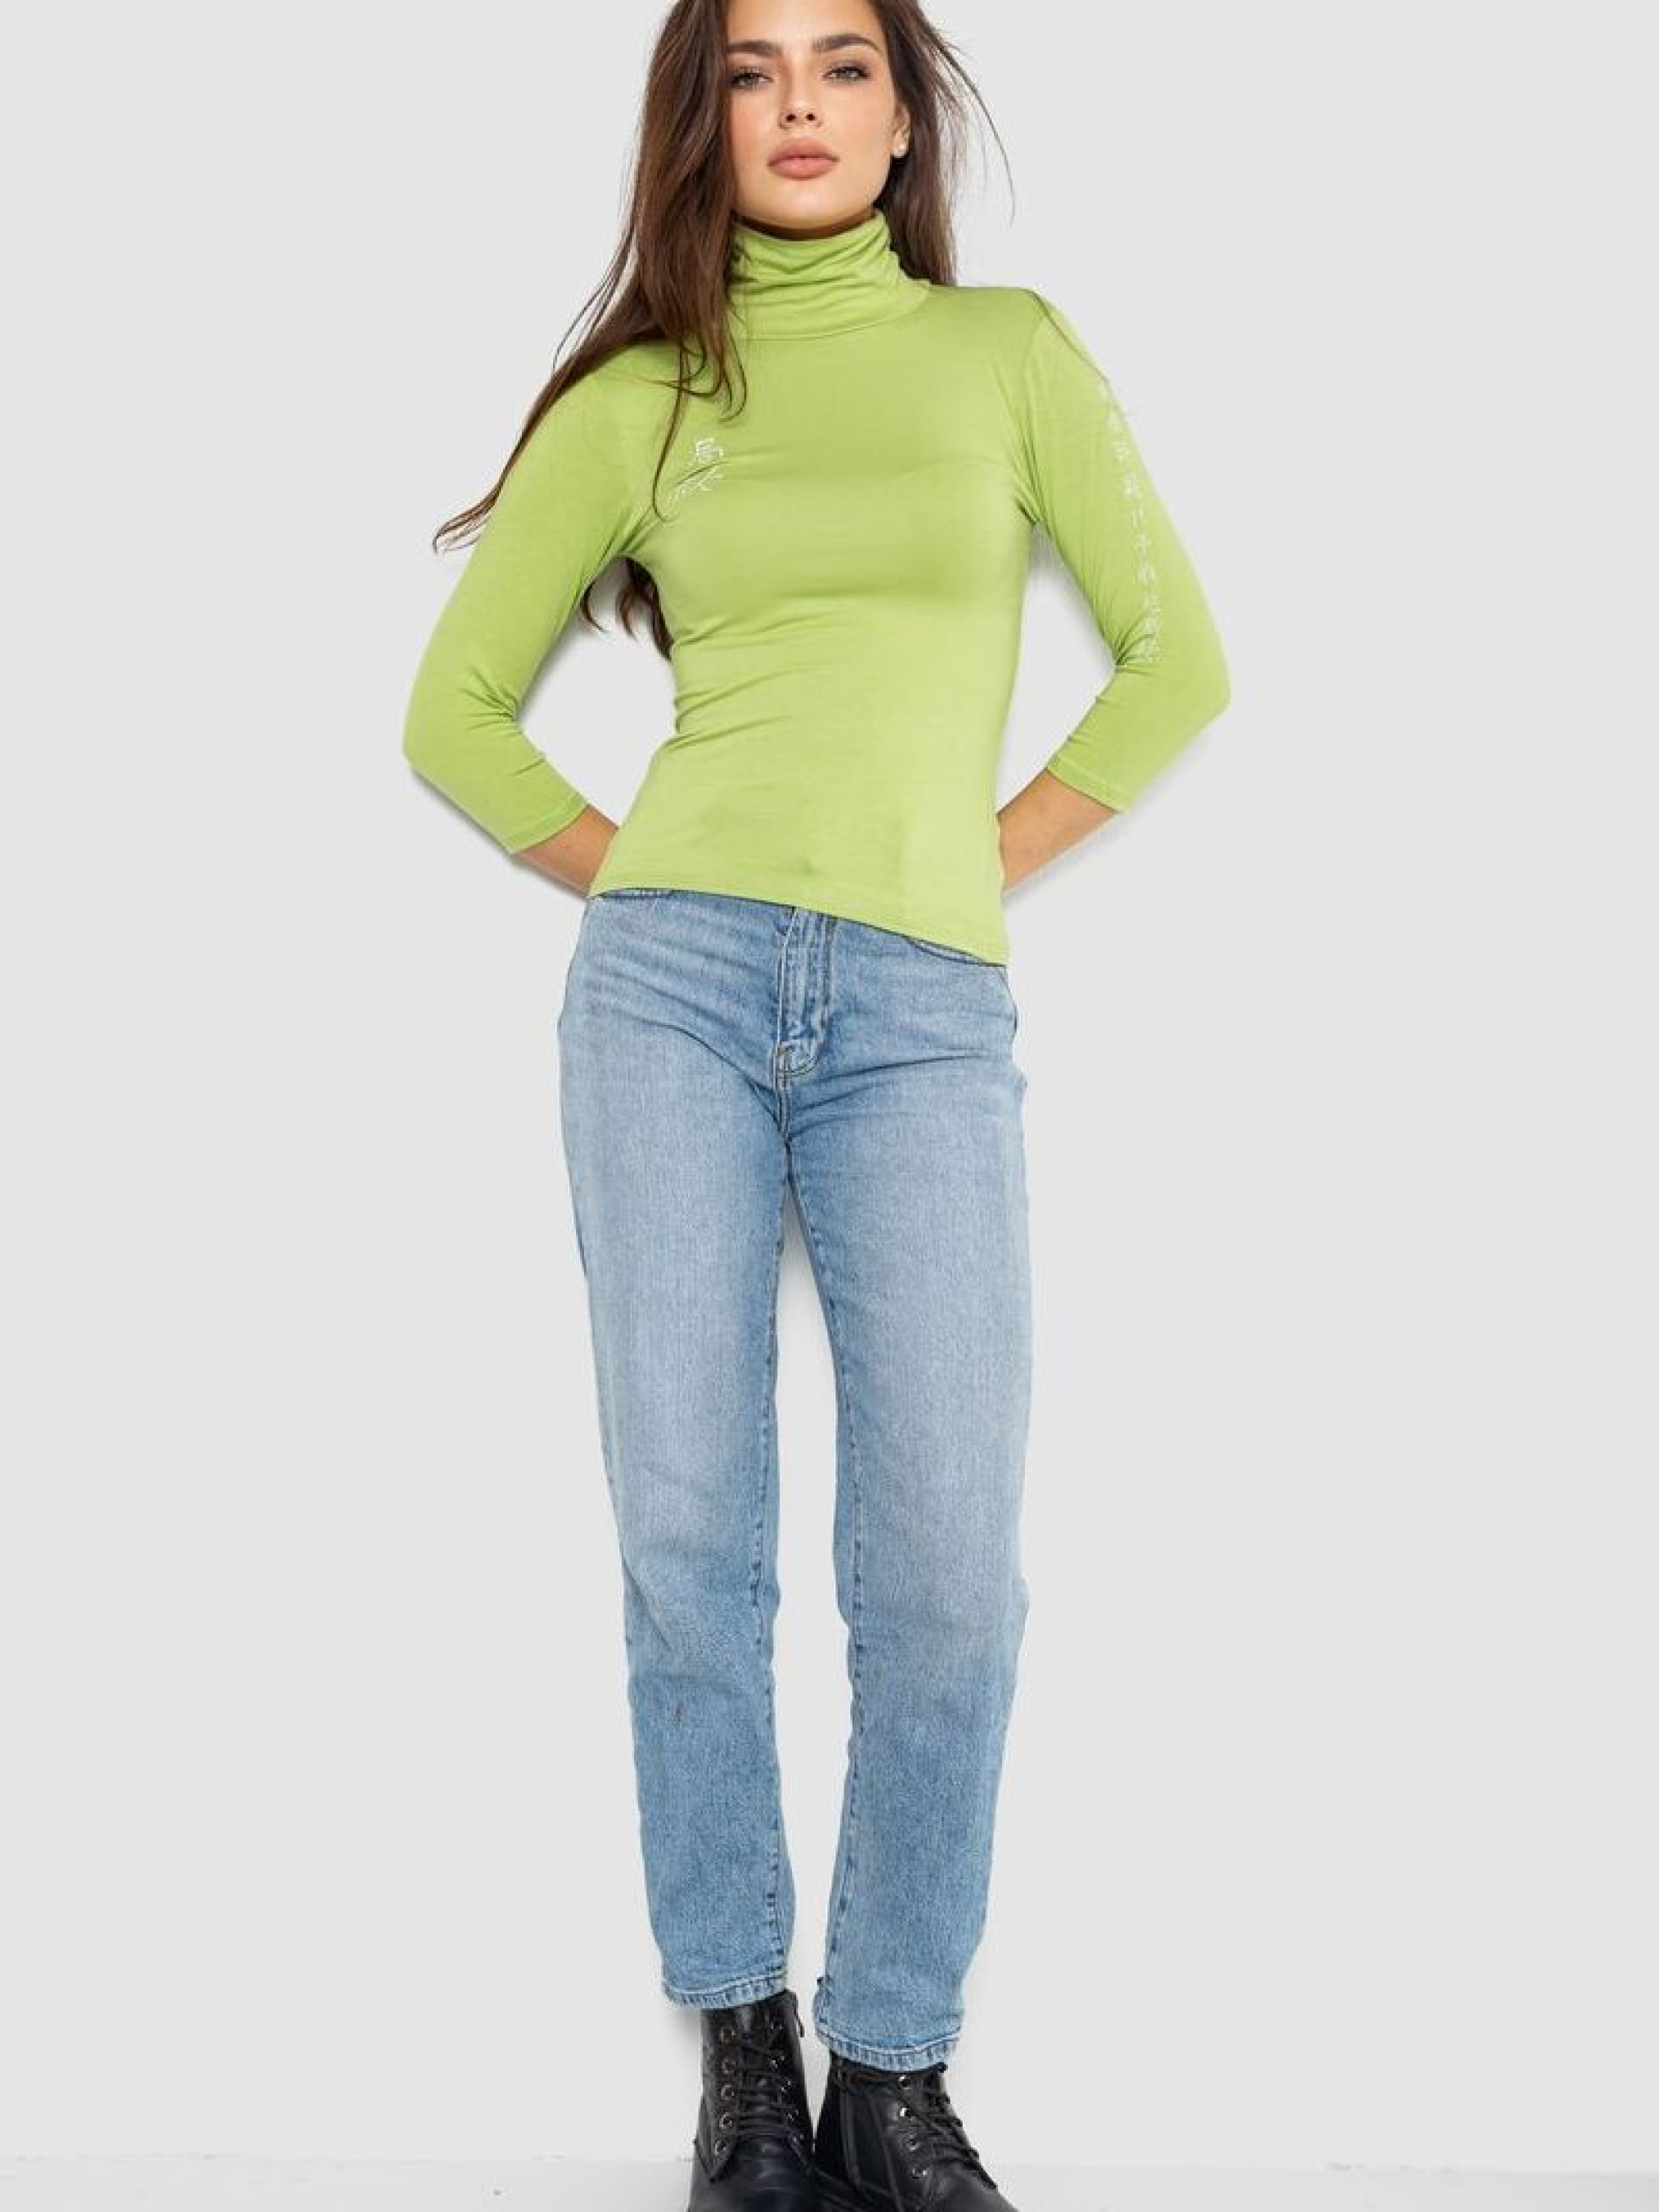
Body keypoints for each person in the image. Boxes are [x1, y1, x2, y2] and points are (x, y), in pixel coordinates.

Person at [401, 0, 1231, 2202]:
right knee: (690, 1550)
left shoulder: (1005, 356)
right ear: (705, 118)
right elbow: (454, 712)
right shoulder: (647, 398)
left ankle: (894, 2069)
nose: (798, 104)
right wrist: (651, 881)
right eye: (753, 68)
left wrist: (961, 863)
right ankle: (747, 2063)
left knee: (949, 1572)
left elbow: (1183, 666)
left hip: (921, 1006)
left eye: (841, 64)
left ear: (899, 117)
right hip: (665, 995)